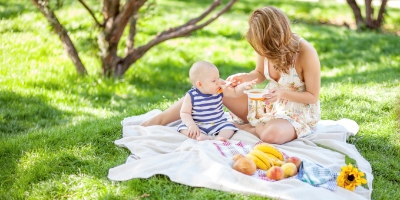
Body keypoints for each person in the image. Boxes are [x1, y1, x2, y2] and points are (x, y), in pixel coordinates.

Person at [141, 6, 321, 145]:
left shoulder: (306, 53)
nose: (262, 52)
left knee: (270, 135)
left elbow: (312, 97)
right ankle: (158, 120)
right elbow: (259, 74)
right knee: (215, 88)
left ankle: (245, 128)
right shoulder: (264, 45)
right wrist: (245, 77)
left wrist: (282, 94)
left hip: (297, 112)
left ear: (276, 38)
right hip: (265, 105)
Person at [177, 61, 257, 141]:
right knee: (183, 129)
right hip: (197, 124)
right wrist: (191, 125)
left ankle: (220, 137)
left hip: (217, 123)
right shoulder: (191, 95)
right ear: (200, 84)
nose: (219, 82)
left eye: (218, 78)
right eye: (213, 81)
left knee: (229, 128)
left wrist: (243, 86)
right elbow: (184, 113)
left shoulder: (219, 90)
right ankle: (200, 136)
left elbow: (235, 93)